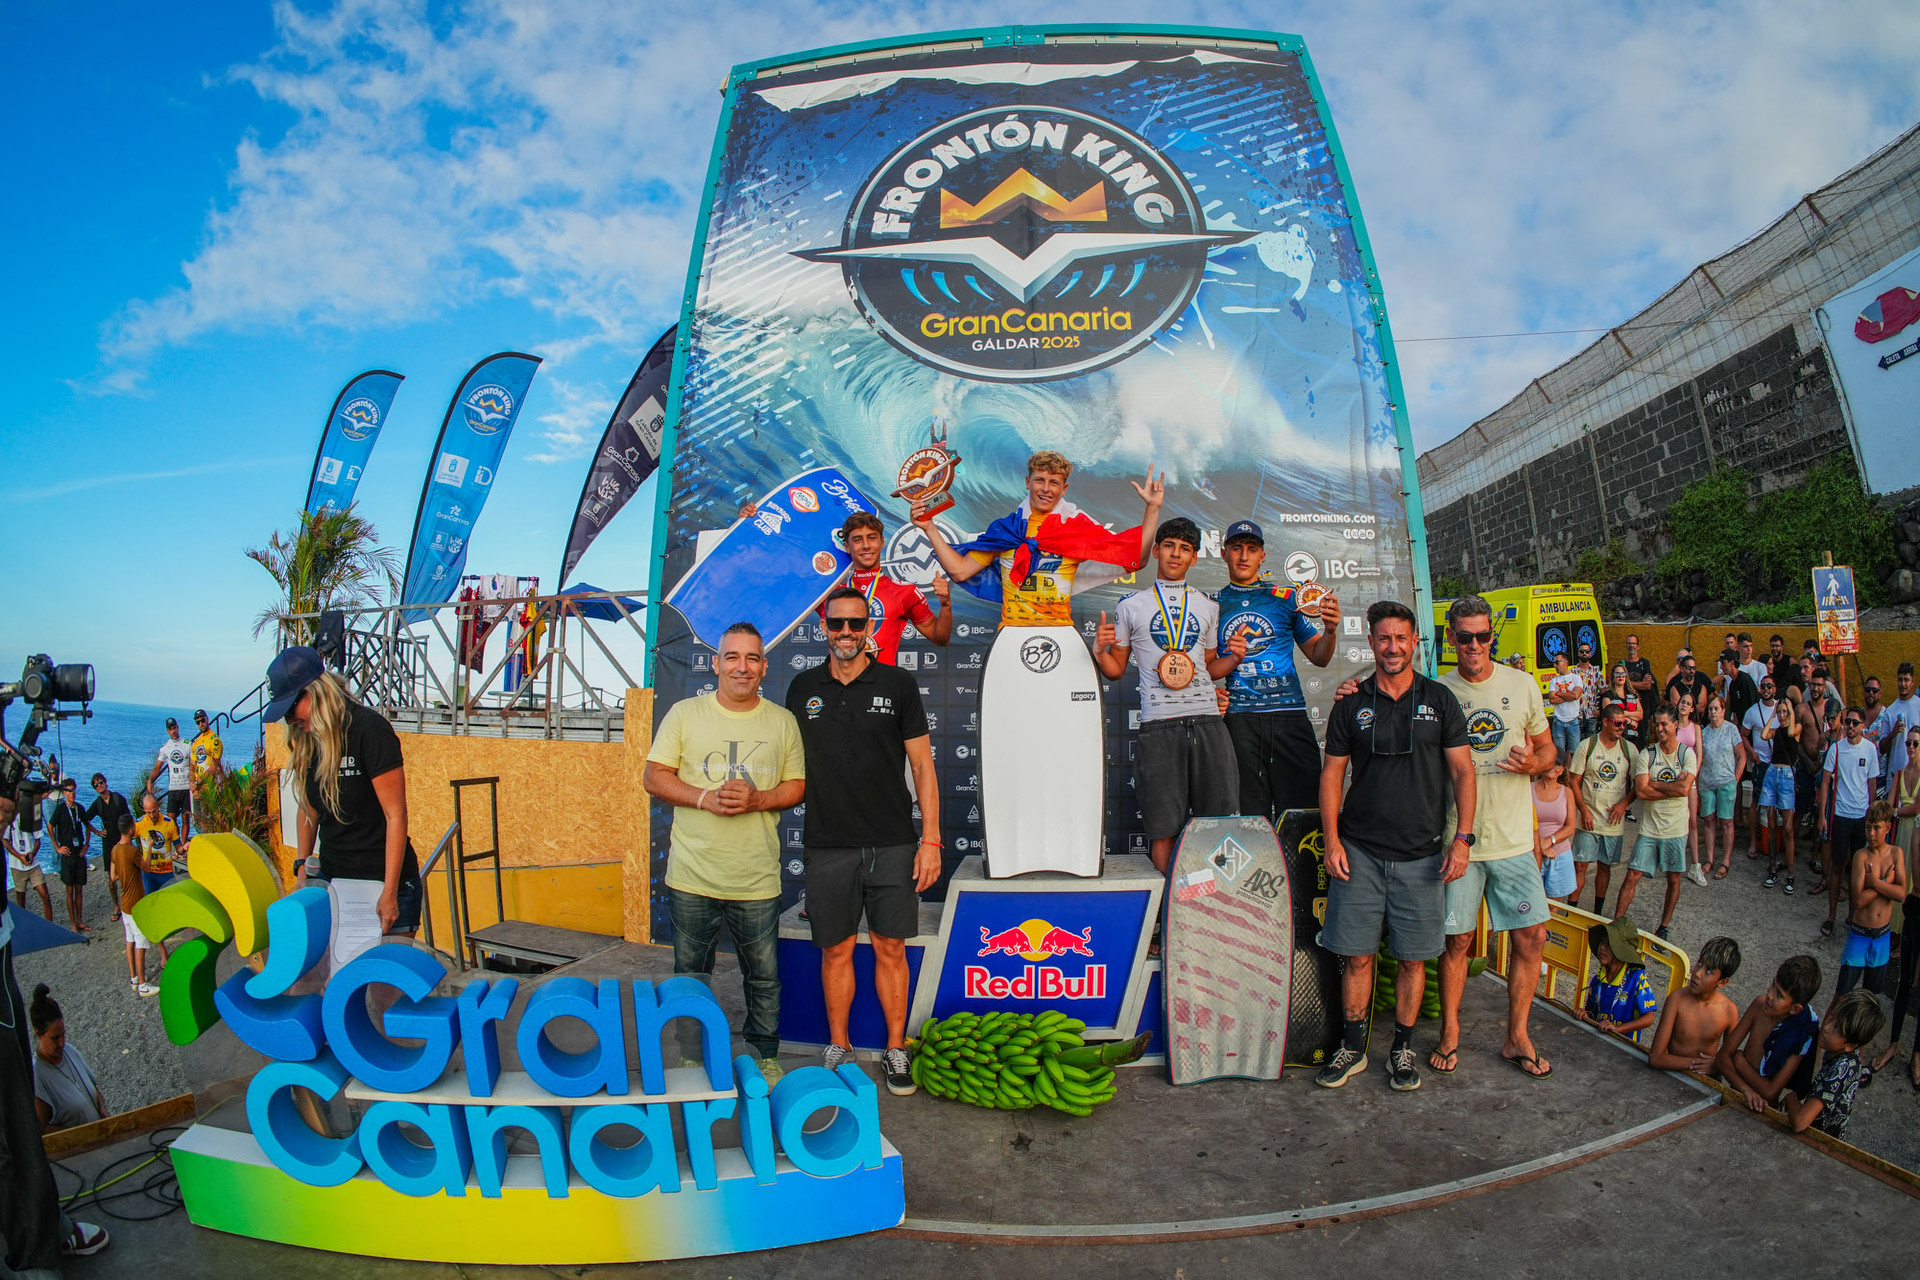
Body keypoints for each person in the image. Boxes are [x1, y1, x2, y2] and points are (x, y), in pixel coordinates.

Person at [1314, 601, 1474, 1093]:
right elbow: (1332, 776)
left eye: (1401, 638)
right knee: (1358, 958)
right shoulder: (1351, 703)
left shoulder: (1440, 699)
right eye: (1383, 638)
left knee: (1412, 960)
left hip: (1423, 857)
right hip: (1359, 853)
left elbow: (1464, 772)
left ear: (1414, 641)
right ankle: (1352, 1048)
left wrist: (1463, 840)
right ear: (1371, 642)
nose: (1393, 647)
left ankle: (1402, 1049)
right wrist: (1332, 841)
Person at [785, 588, 940, 1094]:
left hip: (892, 841)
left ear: (869, 628)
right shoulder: (802, 687)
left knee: (891, 947)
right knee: (836, 950)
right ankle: (840, 1046)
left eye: (856, 624)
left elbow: (923, 767)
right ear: (823, 628)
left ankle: (896, 1049)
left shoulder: (898, 683)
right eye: (837, 624)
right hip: (827, 843)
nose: (846, 633)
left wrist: (931, 840)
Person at [643, 623, 805, 1077]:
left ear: (764, 667)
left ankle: (765, 1056)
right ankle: (692, 1057)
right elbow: (654, 776)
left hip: (756, 878)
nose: (742, 667)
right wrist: (703, 798)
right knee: (691, 976)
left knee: (763, 978)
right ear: (716, 664)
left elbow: (797, 786)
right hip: (692, 876)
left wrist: (758, 799)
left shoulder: (783, 721)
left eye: (752, 658)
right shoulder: (684, 713)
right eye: (732, 657)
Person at [1427, 594, 1554, 1080]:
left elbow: (1548, 750)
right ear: (1451, 638)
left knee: (1531, 937)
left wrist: (1535, 762)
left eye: (1483, 636)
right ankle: (1450, 1031)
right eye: (1465, 637)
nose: (1475, 645)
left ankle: (1516, 1035)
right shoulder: (1438, 691)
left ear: (1492, 636)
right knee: (1457, 940)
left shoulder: (1523, 684)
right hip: (1459, 840)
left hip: (1514, 839)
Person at [0, 792, 112, 1268]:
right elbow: (37, 1131)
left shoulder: (71, 1055)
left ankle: (44, 1233)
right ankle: (37, 1245)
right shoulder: (39, 1076)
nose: (62, 1045)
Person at [1095, 518, 1233, 874]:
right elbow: (1116, 669)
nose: (1176, 554)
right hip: (1159, 726)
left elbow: (1209, 667)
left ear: (1194, 558)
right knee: (1163, 828)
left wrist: (1235, 658)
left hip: (1207, 721)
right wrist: (1099, 652)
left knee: (1216, 825)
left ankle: (1209, 902)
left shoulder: (1208, 606)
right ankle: (1171, 901)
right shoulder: (1131, 605)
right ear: (1156, 550)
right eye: (1169, 545)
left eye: (1185, 548)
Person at [265, 647, 424, 942]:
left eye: (290, 710)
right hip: (336, 887)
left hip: (385, 887)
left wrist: (389, 893)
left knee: (382, 973)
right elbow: (309, 809)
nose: (289, 720)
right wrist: (302, 867)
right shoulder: (309, 740)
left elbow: (396, 815)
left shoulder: (369, 729)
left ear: (314, 692)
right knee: (337, 971)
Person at [912, 451, 1159, 629]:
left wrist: (1153, 508)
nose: (1046, 489)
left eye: (1054, 483)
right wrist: (929, 528)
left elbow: (1135, 559)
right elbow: (960, 572)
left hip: (1059, 633)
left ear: (1064, 489)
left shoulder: (1076, 528)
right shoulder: (1006, 530)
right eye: (1040, 480)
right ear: (1027, 482)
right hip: (1011, 632)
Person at [1210, 519, 1338, 821]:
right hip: (1240, 719)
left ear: (1262, 556)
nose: (1244, 556)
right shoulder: (1212, 605)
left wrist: (1331, 630)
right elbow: (1206, 668)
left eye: (1252, 549)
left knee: (1302, 814)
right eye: (1236, 548)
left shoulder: (1286, 598)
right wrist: (1210, 693)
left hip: (1288, 715)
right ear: (1224, 553)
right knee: (1247, 816)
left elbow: (1319, 657)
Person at [822, 511, 951, 664]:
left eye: (872, 538)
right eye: (857, 540)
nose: (866, 546)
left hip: (884, 678)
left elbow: (940, 638)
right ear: (847, 546)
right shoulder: (827, 593)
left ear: (882, 542)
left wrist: (946, 605)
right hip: (839, 679)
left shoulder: (905, 592)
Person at [1617, 708, 1694, 939]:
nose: (1659, 729)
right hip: (1650, 828)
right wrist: (1672, 788)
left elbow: (1684, 790)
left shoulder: (1687, 754)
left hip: (1676, 828)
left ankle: (1664, 926)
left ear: (1675, 725)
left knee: (1674, 877)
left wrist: (1656, 783)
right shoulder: (1648, 754)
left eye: (1664, 724)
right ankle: (1617, 923)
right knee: (1632, 874)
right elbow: (1641, 791)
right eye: (1657, 724)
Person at [1716, 954, 1822, 1112]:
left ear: (1795, 1009)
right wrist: (1746, 1089)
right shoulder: (1759, 1005)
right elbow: (1722, 1058)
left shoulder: (1801, 1033)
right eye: (1773, 984)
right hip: (1737, 1092)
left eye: (1779, 995)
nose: (1770, 994)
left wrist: (1739, 1061)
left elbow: (1770, 1091)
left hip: (1764, 1109)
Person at [1874, 728, 1920, 1081]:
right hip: (1917, 902)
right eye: (1911, 743)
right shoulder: (1917, 827)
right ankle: (1893, 1044)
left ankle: (1916, 1053)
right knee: (1905, 980)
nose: (1912, 748)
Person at [1782, 989, 1883, 1138]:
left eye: (1836, 1029)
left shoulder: (1841, 1069)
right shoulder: (1839, 1051)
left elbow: (1799, 1122)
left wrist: (1789, 1097)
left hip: (1817, 1142)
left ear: (1850, 1045)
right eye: (1831, 1017)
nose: (1826, 1027)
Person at [1816, 706, 1880, 937]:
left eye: (1855, 723)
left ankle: (1853, 916)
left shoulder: (1870, 749)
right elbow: (1825, 782)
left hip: (1861, 817)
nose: (1850, 726)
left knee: (1857, 869)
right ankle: (1832, 915)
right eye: (1848, 722)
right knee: (1837, 866)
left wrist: (1872, 817)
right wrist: (1822, 816)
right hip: (1840, 815)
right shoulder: (1837, 749)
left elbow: (1872, 784)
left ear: (1863, 726)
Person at [1569, 702, 1639, 914]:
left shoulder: (1629, 749)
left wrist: (1624, 804)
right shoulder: (1587, 746)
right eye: (1618, 723)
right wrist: (1584, 810)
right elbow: (1573, 781)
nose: (1622, 727)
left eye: (1624, 723)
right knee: (1580, 865)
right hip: (1588, 819)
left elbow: (1639, 785)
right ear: (1606, 722)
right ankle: (1571, 912)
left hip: (1613, 823)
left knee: (1605, 866)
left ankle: (1597, 914)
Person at [1835, 799, 1905, 997]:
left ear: (1887, 828)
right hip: (1859, 934)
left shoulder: (1896, 853)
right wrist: (1885, 882)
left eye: (1876, 828)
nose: (1871, 834)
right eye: (1868, 828)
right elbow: (1858, 900)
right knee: (1842, 995)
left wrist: (1875, 883)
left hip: (1882, 936)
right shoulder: (1861, 856)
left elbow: (1901, 894)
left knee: (1870, 997)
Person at [1647, 936, 1740, 1073]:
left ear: (1722, 982)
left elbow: (1729, 1059)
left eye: (1709, 971)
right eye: (1700, 963)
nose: (1697, 973)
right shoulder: (1677, 1000)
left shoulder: (1729, 1011)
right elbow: (1656, 1057)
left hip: (1708, 1078)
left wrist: (1717, 1066)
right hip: (1673, 1072)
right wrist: (1701, 1065)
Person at [30, 984, 108, 1132]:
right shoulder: (37, 1075)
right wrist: (77, 1135)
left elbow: (94, 1089)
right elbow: (43, 1128)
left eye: (63, 1035)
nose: (62, 1043)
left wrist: (102, 1108)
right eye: (55, 1038)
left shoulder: (70, 1050)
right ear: (39, 1033)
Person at [1575, 916, 1659, 1039]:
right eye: (1602, 941)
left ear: (1622, 951)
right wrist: (1584, 1014)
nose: (1602, 947)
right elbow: (1591, 1012)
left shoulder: (1637, 977)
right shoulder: (1597, 980)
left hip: (1625, 1045)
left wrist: (1617, 1029)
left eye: (1610, 944)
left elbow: (1648, 1018)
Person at [1696, 693, 1746, 881]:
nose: (1713, 712)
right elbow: (1699, 760)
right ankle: (1709, 859)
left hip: (1726, 782)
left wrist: (1735, 779)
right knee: (1709, 820)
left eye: (1716, 708)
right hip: (1707, 783)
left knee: (1726, 822)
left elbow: (1741, 756)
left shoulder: (1731, 730)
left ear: (1723, 711)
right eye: (1710, 709)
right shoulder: (1703, 733)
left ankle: (1725, 860)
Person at [108, 815, 157, 996]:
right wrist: (149, 847)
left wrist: (125, 873)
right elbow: (146, 867)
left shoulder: (115, 850)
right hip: (136, 901)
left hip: (124, 902)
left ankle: (134, 978)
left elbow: (113, 876)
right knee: (140, 943)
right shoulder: (132, 851)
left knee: (130, 940)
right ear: (130, 830)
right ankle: (143, 985)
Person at [1759, 694, 1801, 891]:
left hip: (1786, 776)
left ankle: (1791, 873)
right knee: (1771, 825)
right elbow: (1763, 735)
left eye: (1785, 712)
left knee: (1788, 828)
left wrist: (1790, 711)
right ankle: (1772, 868)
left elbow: (1791, 731)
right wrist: (1773, 715)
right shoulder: (1775, 731)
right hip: (1772, 773)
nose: (1782, 715)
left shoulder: (1796, 728)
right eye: (1780, 712)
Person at [1743, 676, 1781, 863]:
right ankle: (1753, 840)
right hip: (1762, 763)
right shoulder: (1752, 711)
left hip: (1780, 763)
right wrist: (1751, 752)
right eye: (1763, 686)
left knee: (1779, 803)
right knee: (1756, 802)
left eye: (1769, 686)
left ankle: (1775, 841)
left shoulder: (1782, 709)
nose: (1766, 689)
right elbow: (1743, 734)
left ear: (1775, 689)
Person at [48, 778, 92, 933]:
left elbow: (88, 825)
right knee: (69, 890)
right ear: (64, 793)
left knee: (79, 889)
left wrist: (87, 844)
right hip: (67, 853)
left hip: (79, 852)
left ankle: (79, 921)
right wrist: (57, 847)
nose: (72, 793)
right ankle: (73, 923)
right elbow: (50, 826)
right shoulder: (60, 809)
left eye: (73, 790)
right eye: (68, 791)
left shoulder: (79, 808)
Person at [1534, 748, 1576, 903]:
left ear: (1562, 770)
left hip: (1559, 854)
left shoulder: (1567, 792)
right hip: (1533, 853)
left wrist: (1549, 841)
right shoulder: (1528, 788)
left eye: (1557, 764)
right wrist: (1540, 845)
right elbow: (1520, 822)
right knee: (1532, 904)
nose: (1553, 767)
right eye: (1550, 763)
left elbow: (1570, 827)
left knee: (1553, 906)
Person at [1672, 692, 1703, 885]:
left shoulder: (1695, 727)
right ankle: (1673, 861)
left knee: (1692, 821)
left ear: (1692, 708)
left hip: (1690, 778)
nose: (1684, 705)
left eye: (1688, 703)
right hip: (1673, 777)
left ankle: (1695, 866)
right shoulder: (1672, 725)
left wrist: (1692, 775)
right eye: (1682, 702)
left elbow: (1699, 754)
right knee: (1674, 819)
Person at [83, 771, 134, 885]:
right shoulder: (97, 804)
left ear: (105, 783)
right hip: (108, 842)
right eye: (96, 785)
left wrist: (130, 836)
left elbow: (128, 818)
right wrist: (97, 832)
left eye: (101, 783)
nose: (99, 786)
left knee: (127, 871)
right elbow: (85, 819)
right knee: (111, 876)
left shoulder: (118, 798)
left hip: (122, 839)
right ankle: (115, 897)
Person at [149, 715, 194, 840]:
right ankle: (177, 841)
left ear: (178, 728)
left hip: (186, 786)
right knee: (171, 818)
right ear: (167, 731)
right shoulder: (165, 748)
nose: (173, 731)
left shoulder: (187, 744)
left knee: (185, 817)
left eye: (174, 728)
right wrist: (150, 781)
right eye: (170, 729)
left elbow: (194, 764)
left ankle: (183, 844)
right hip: (173, 787)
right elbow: (158, 767)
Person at [132, 790, 179, 896]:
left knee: (168, 899)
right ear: (144, 810)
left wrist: (186, 847)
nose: (152, 815)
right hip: (149, 873)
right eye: (148, 812)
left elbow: (179, 847)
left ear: (158, 806)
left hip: (166, 872)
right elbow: (127, 840)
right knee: (151, 900)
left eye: (154, 811)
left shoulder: (169, 823)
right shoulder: (139, 823)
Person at [7, 813, 52, 922]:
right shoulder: (9, 816)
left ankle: (49, 925)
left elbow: (38, 840)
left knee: (45, 896)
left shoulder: (31, 815)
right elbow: (5, 841)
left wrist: (33, 853)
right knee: (20, 900)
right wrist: (19, 856)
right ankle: (24, 926)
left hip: (33, 865)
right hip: (17, 865)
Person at [1877, 662, 1920, 778]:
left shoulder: (1918, 706)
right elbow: (1882, 749)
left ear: (1912, 681)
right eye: (1900, 680)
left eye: (1906, 680)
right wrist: (1893, 733)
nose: (1903, 684)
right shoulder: (1890, 711)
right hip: (1895, 773)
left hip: (1917, 773)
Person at [189, 708, 224, 834]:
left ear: (207, 719)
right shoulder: (196, 743)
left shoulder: (214, 740)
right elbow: (192, 765)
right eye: (197, 722)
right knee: (198, 822)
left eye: (202, 721)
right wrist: (192, 784)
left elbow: (214, 767)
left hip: (208, 787)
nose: (201, 724)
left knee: (208, 823)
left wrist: (197, 783)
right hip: (197, 788)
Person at [1546, 652, 1584, 757]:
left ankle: (1569, 768)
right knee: (1559, 754)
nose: (1555, 665)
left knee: (1574, 753)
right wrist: (1569, 696)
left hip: (1573, 720)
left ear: (1565, 663)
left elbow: (1576, 695)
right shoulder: (1554, 680)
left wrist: (1559, 693)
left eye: (1557, 662)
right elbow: (1552, 699)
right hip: (1558, 721)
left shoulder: (1576, 678)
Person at [1600, 662, 1643, 747]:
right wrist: (1631, 721)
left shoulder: (1633, 695)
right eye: (1617, 674)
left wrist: (1625, 713)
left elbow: (1640, 715)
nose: (1620, 676)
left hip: (1633, 736)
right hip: (1615, 737)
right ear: (1613, 677)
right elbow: (1610, 716)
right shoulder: (1608, 695)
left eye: (1623, 674)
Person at [1666, 654, 1711, 725]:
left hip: (1698, 724)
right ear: (1681, 668)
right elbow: (1678, 709)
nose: (1692, 671)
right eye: (1688, 668)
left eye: (1694, 668)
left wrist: (1686, 707)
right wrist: (1693, 707)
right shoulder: (1675, 688)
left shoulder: (1701, 687)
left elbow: (1702, 707)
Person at [1574, 642, 1605, 740]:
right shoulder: (1572, 673)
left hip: (1592, 713)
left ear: (1590, 653)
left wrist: (1599, 709)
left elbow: (1603, 692)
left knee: (1591, 742)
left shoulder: (1596, 672)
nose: (1584, 653)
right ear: (1578, 653)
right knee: (1577, 742)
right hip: (1577, 714)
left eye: (1587, 651)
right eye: (1582, 651)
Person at [1623, 633, 1656, 710]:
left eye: (1633, 643)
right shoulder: (1622, 664)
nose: (1631, 646)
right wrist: (1641, 684)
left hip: (1643, 703)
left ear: (1638, 647)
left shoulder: (1645, 663)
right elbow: (1620, 685)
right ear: (1626, 646)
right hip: (1627, 704)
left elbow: (1647, 686)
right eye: (1629, 643)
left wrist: (1627, 683)